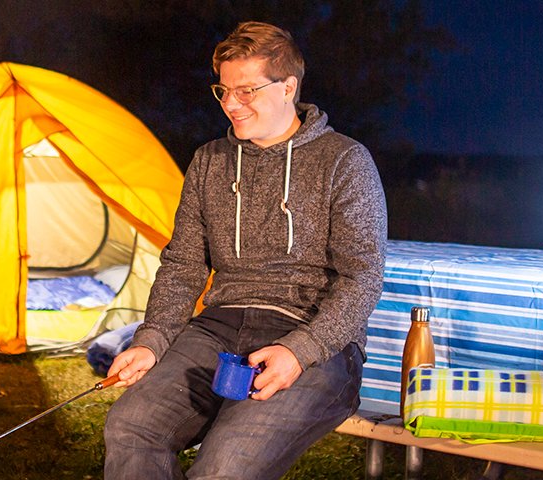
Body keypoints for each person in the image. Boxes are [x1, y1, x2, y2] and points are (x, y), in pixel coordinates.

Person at [102, 21, 388, 478]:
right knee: (130, 428)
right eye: (223, 90)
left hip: (313, 340)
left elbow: (363, 277)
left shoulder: (345, 162)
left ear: (288, 87)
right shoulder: (209, 161)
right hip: (216, 329)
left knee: (225, 467)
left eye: (247, 90)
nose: (231, 104)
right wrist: (152, 339)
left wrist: (301, 349)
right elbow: (183, 265)